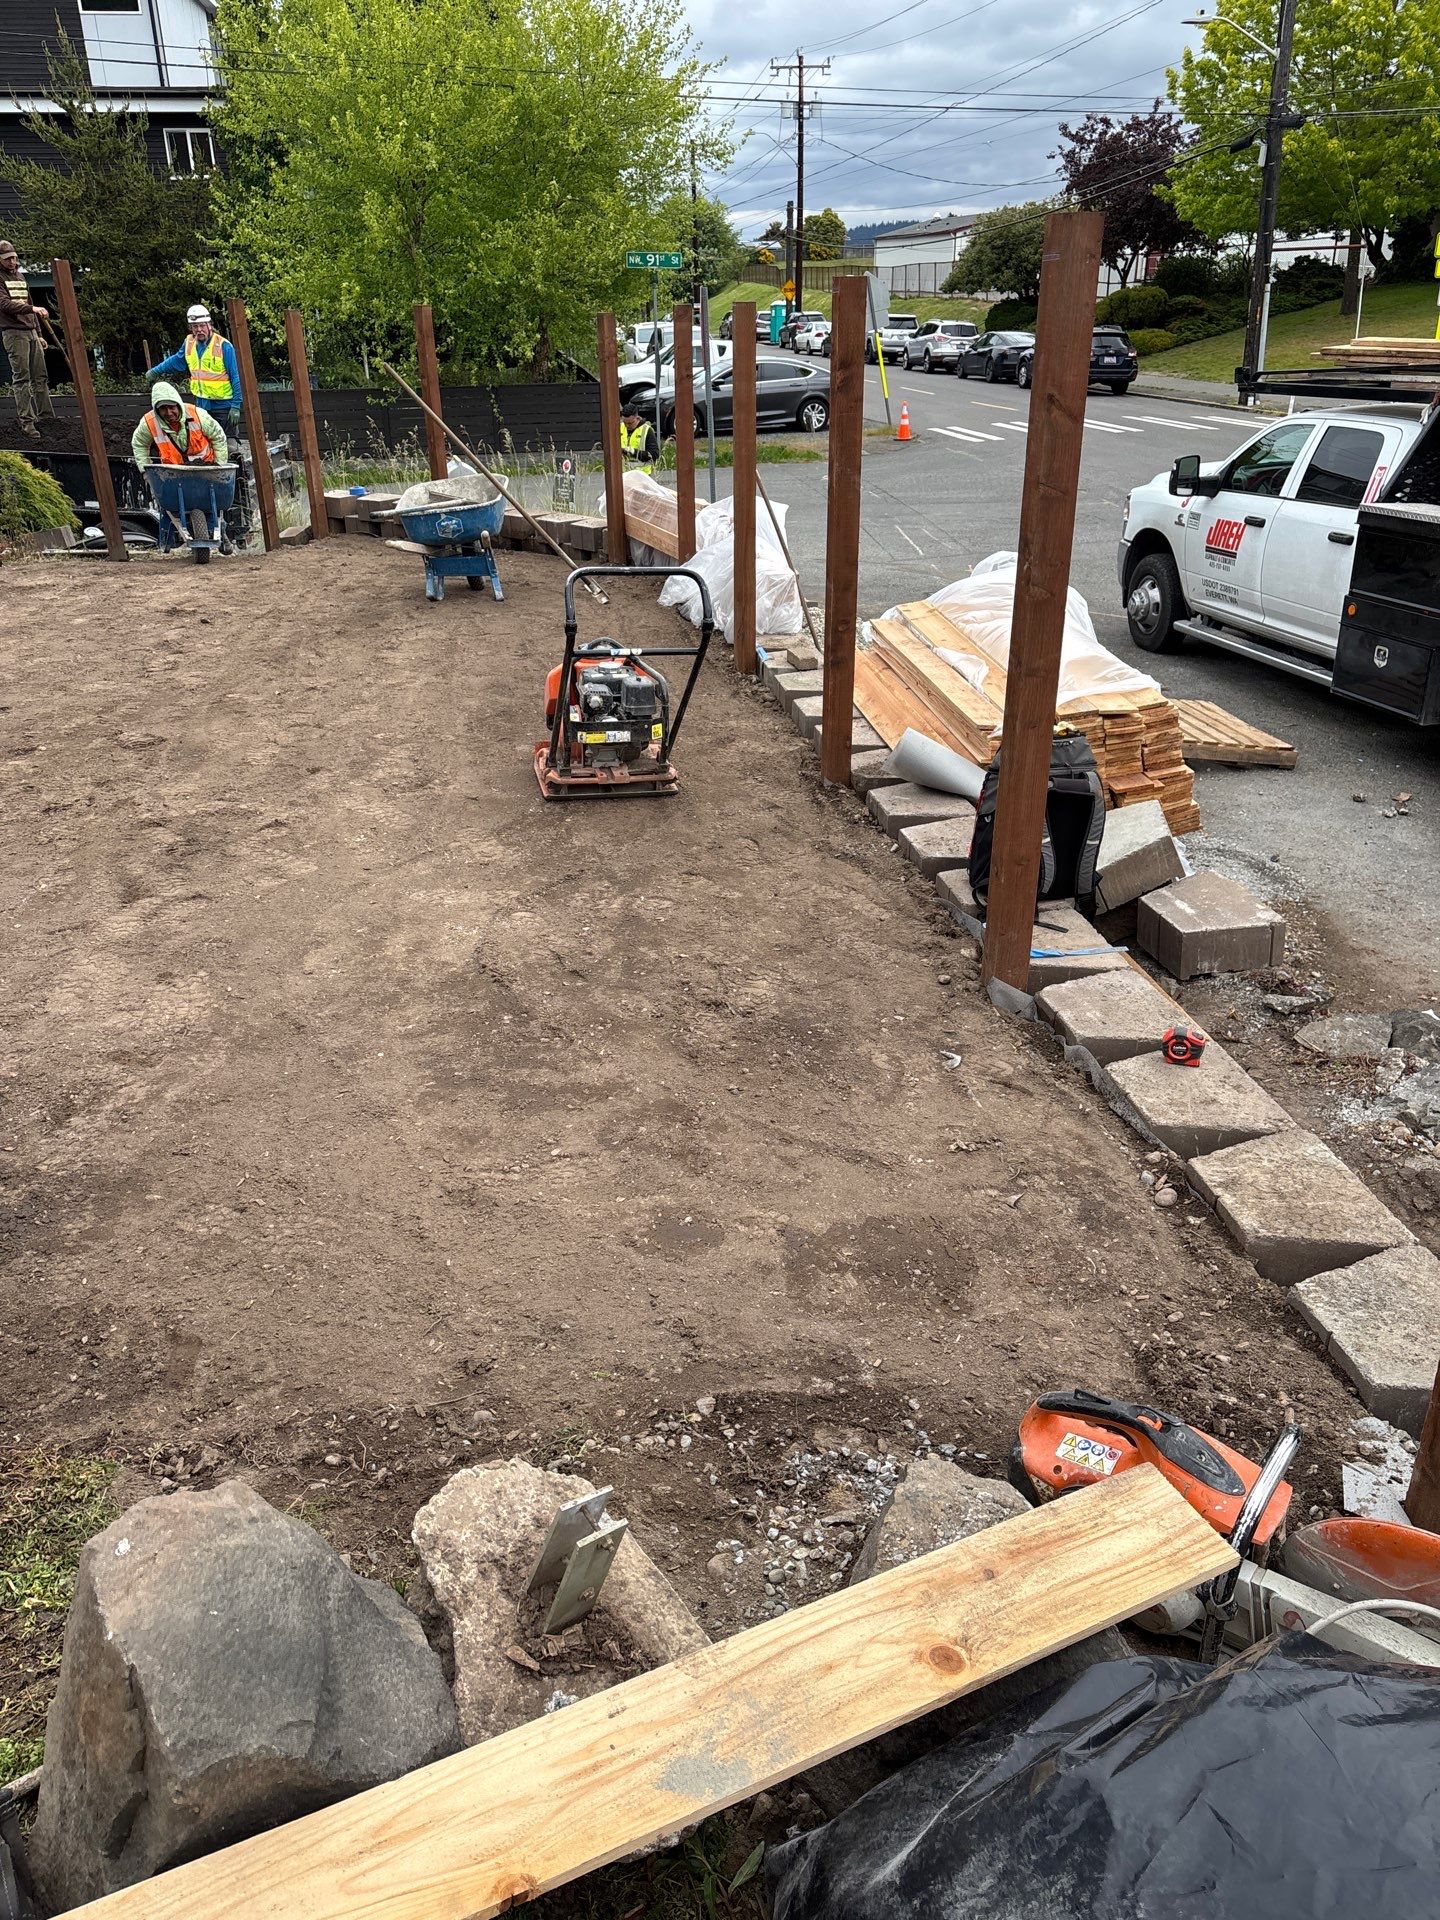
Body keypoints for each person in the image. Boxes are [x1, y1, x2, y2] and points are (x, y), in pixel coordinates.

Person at [132, 380, 230, 553]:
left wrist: (219, 467)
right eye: (163, 409)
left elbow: (218, 437)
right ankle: (166, 542)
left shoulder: (197, 415)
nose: (169, 413)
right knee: (169, 507)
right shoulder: (149, 422)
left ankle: (221, 531)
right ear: (157, 410)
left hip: (205, 470)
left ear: (178, 404)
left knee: (213, 505)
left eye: (172, 407)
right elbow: (139, 444)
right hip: (174, 474)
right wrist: (145, 471)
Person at [146, 304, 241, 440]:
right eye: (195, 326)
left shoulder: (224, 346)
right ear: (191, 328)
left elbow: (236, 377)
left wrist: (236, 406)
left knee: (230, 445)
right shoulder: (189, 343)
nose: (199, 329)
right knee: (204, 442)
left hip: (223, 405)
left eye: (202, 325)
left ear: (209, 325)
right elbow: (176, 361)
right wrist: (155, 371)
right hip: (201, 405)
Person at [0, 240, 54, 440]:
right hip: (14, 333)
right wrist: (32, 309)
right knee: (22, 378)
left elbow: (30, 305)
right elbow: (5, 304)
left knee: (41, 377)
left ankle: (47, 419)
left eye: (14, 258)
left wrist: (38, 333)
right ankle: (28, 423)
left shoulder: (20, 276)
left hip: (31, 332)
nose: (12, 262)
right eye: (7, 259)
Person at [619, 400, 659, 475]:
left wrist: (632, 451)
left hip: (642, 474)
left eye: (630, 423)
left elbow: (654, 454)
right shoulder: (620, 427)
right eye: (625, 423)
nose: (627, 426)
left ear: (637, 418)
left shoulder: (646, 430)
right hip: (623, 474)